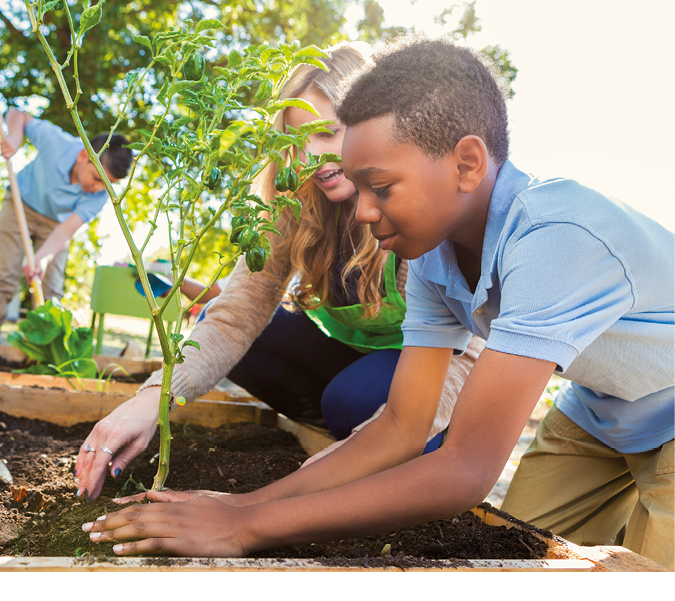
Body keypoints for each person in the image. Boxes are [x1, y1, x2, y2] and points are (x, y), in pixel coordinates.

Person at [81, 36, 675, 569]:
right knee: (523, 553)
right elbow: (398, 426)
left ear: (467, 163)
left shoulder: (555, 239)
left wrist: (245, 526)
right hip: (599, 412)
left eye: (380, 187)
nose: (362, 211)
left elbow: (466, 470)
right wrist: (244, 503)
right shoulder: (435, 259)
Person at [74, 42, 483, 501]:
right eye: (298, 139)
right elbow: (235, 314)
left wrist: (349, 461)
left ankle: (371, 433)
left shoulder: (416, 207)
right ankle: (333, 429)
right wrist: (153, 399)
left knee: (351, 398)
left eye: (329, 133)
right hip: (352, 361)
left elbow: (468, 352)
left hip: (428, 371)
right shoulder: (293, 204)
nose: (312, 156)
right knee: (226, 327)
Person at [0, 109, 133, 342]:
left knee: (51, 286)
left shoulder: (100, 195)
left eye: (109, 185)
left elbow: (66, 231)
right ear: (82, 156)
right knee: (4, 276)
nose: (100, 188)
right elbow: (19, 115)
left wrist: (42, 258)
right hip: (20, 205)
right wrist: (15, 138)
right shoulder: (58, 143)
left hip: (56, 224)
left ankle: (45, 348)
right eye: (98, 179)